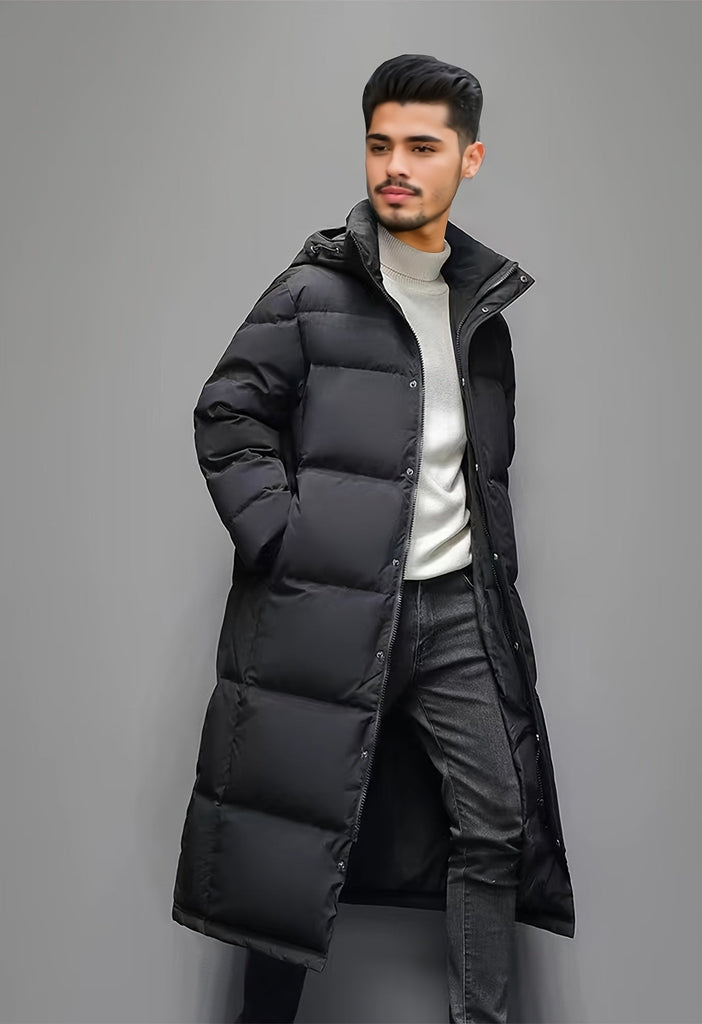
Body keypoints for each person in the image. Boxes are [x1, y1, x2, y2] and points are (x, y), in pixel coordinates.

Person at [172, 53, 575, 1024]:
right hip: (333, 612)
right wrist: (289, 545)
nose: (396, 166)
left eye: (422, 147)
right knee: (290, 841)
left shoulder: (483, 316)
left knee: (495, 822)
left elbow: (476, 473)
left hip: (457, 612)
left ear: (468, 159)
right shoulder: (309, 292)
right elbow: (228, 414)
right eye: (380, 144)